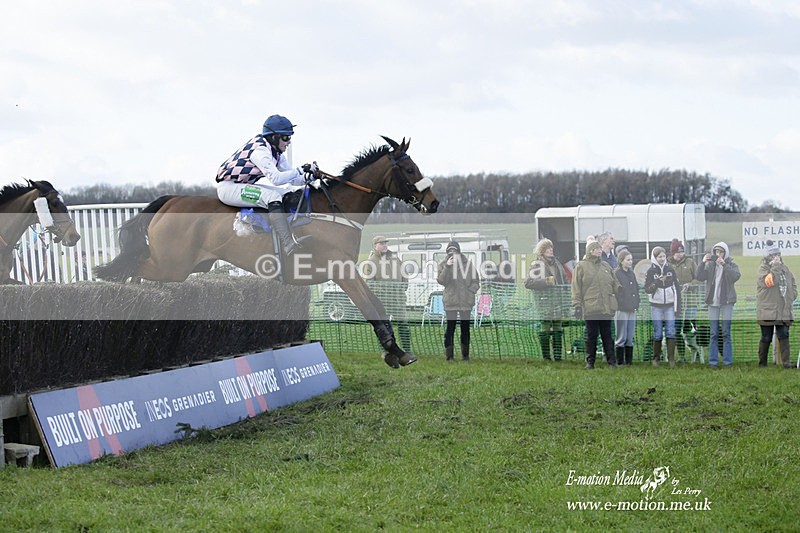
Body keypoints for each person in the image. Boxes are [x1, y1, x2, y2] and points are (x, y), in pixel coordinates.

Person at [216, 114, 319, 256]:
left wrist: (310, 176)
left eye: (290, 137)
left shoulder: (276, 153)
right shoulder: (261, 151)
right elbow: (276, 179)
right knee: (273, 196)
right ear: (274, 137)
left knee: (286, 194)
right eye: (286, 137)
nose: (288, 142)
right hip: (229, 188)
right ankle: (287, 243)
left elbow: (293, 179)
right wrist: (300, 169)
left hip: (240, 185)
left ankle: (291, 233)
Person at [571, 241, 620, 369]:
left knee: (607, 335)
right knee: (591, 335)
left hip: (606, 307)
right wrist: (577, 305)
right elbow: (576, 287)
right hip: (590, 307)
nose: (599, 251)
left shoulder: (606, 265)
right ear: (590, 251)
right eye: (596, 249)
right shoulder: (581, 266)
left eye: (599, 249)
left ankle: (612, 362)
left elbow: (614, 282)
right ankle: (590, 362)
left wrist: (620, 290)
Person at [364, 235, 412, 356]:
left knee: (403, 324)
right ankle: (386, 351)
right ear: (375, 246)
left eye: (385, 243)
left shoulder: (395, 258)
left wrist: (402, 288)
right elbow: (369, 283)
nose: (385, 245)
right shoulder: (370, 262)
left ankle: (407, 349)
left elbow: (404, 275)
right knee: (384, 327)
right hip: (382, 302)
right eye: (382, 243)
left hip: (398, 300)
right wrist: (384, 291)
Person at [696, 242, 740, 367]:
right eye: (716, 252)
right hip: (713, 303)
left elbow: (735, 277)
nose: (718, 254)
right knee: (714, 333)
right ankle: (713, 362)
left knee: (726, 332)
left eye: (721, 252)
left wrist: (724, 265)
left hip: (727, 302)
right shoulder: (710, 266)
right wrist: (702, 262)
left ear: (725, 253)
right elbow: (699, 276)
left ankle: (727, 361)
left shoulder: (731, 265)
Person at [525, 238, 568, 360]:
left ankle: (558, 356)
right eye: (548, 248)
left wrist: (566, 294)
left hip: (558, 303)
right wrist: (545, 282)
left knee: (558, 329)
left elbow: (565, 281)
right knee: (545, 329)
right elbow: (528, 283)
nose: (550, 250)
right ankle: (546, 356)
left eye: (551, 247)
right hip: (544, 303)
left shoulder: (558, 264)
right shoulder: (536, 265)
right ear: (542, 251)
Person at [756, 240, 797, 368]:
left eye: (777, 254)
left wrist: (791, 297)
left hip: (783, 309)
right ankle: (762, 363)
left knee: (784, 335)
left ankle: (786, 362)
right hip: (768, 309)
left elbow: (793, 285)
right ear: (767, 256)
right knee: (766, 337)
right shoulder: (763, 269)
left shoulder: (785, 269)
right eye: (773, 255)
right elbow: (770, 281)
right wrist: (776, 267)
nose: (776, 257)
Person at [437, 240, 480, 361]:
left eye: (454, 250)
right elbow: (442, 281)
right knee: (450, 329)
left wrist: (470, 291)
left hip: (466, 302)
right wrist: (448, 267)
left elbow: (476, 281)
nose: (452, 253)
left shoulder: (468, 265)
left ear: (459, 251)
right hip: (451, 302)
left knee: (465, 329)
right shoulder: (443, 265)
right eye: (450, 251)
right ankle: (449, 356)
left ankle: (465, 356)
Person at [644, 246, 680, 367]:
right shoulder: (651, 271)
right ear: (655, 257)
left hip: (669, 305)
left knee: (670, 331)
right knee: (658, 332)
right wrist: (657, 283)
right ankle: (656, 358)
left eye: (663, 256)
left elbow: (676, 287)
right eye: (659, 257)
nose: (662, 259)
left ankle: (671, 359)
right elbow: (647, 289)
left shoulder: (670, 269)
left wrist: (677, 306)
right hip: (656, 305)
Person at [668, 239, 699, 363]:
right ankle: (681, 356)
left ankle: (695, 354)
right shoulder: (668, 265)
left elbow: (699, 279)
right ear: (673, 253)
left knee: (689, 331)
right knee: (677, 330)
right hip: (675, 304)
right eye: (677, 252)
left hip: (690, 302)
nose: (680, 254)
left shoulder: (690, 262)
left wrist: (690, 285)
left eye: (682, 252)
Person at [613, 249, 639, 365]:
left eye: (631, 260)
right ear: (621, 261)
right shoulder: (617, 274)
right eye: (628, 260)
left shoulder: (631, 273)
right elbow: (616, 291)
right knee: (621, 336)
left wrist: (636, 302)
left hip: (632, 308)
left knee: (630, 335)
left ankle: (629, 361)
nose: (630, 262)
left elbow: (635, 290)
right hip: (621, 309)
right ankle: (620, 361)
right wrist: (621, 302)